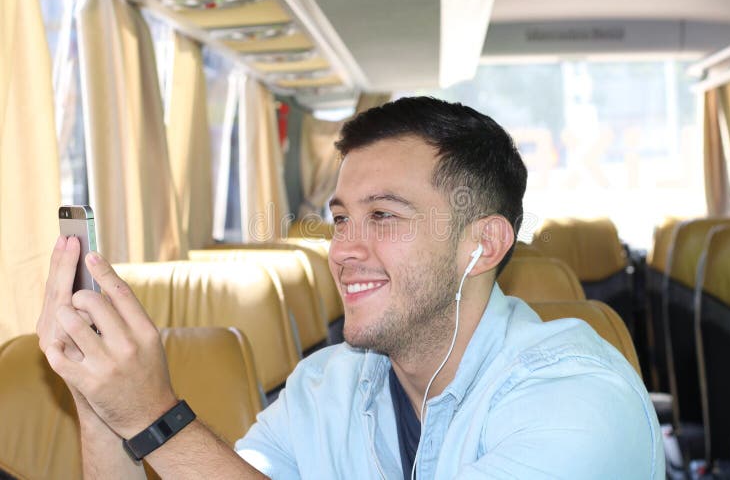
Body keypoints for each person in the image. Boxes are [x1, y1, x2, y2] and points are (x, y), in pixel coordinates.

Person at [37, 96, 664, 479]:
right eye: (341, 219)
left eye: (384, 216)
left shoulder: (577, 395)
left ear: (483, 245)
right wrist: (100, 404)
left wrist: (155, 414)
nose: (343, 250)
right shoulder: (325, 385)